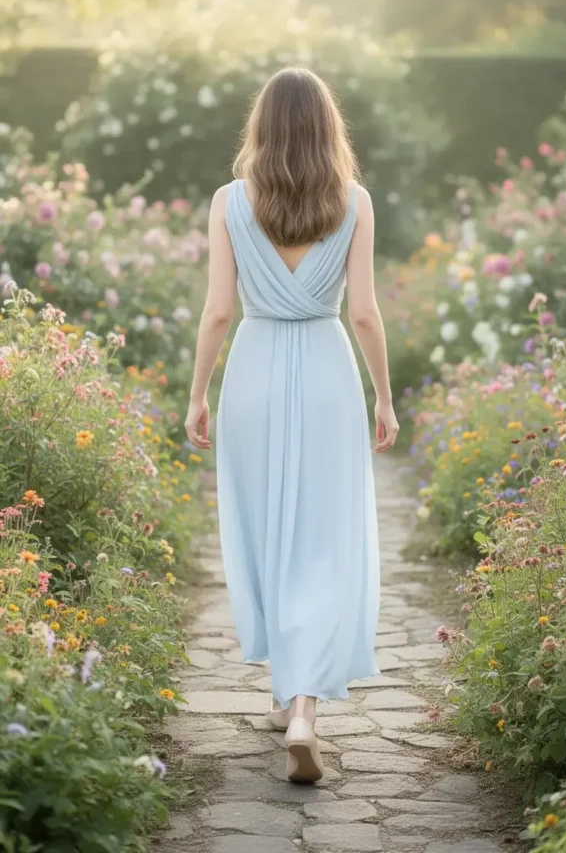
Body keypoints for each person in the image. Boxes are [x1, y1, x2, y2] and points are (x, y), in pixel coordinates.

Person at [185, 66, 399, 783]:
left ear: (262, 127)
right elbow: (364, 312)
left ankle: (289, 691)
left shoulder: (227, 201)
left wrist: (197, 394)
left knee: (267, 525)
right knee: (320, 534)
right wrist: (384, 397)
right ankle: (301, 706)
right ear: (326, 128)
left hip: (252, 368)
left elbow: (217, 309)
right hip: (326, 370)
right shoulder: (355, 201)